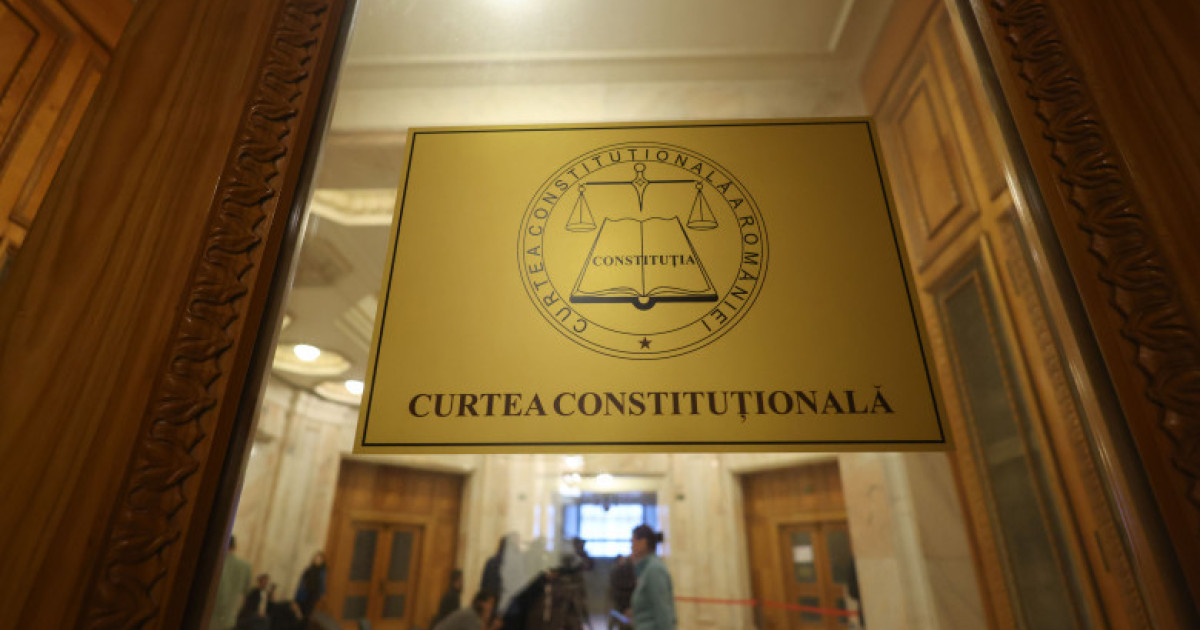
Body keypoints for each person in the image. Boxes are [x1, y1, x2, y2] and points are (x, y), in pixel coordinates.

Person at [629, 525, 675, 630]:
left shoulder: (654, 570)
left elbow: (663, 612)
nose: (631, 547)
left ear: (643, 543)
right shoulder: (646, 570)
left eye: (633, 542)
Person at [210, 537, 252, 630]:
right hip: (229, 620)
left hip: (210, 618)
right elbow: (247, 594)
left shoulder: (216, 561)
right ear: (234, 547)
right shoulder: (246, 567)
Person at [433, 590, 498, 630]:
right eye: (490, 603)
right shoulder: (471, 615)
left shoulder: (472, 614)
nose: (491, 607)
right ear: (480, 602)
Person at [293, 551, 327, 622]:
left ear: (322, 561)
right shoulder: (309, 569)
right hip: (305, 592)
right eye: (317, 559)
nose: (318, 561)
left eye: (320, 559)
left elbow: (322, 583)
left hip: (314, 594)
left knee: (308, 612)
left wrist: (322, 593)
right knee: (300, 610)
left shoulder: (322, 571)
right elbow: (302, 582)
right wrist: (297, 595)